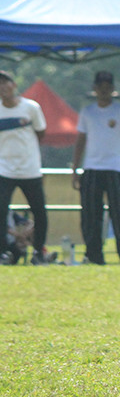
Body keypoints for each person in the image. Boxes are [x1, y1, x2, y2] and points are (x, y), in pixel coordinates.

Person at [71, 71, 120, 265]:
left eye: (107, 87)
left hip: (115, 168)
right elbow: (80, 142)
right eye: (100, 87)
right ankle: (93, 256)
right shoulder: (87, 112)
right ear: (94, 89)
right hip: (92, 168)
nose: (104, 91)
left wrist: (119, 154)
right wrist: (75, 169)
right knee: (91, 214)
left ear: (112, 89)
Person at [0, 70, 55, 265]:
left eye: (5, 83)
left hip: (30, 170)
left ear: (13, 86)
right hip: (4, 169)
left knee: (39, 212)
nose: (2, 87)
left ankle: (39, 251)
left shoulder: (31, 108)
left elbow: (40, 134)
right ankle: (3, 252)